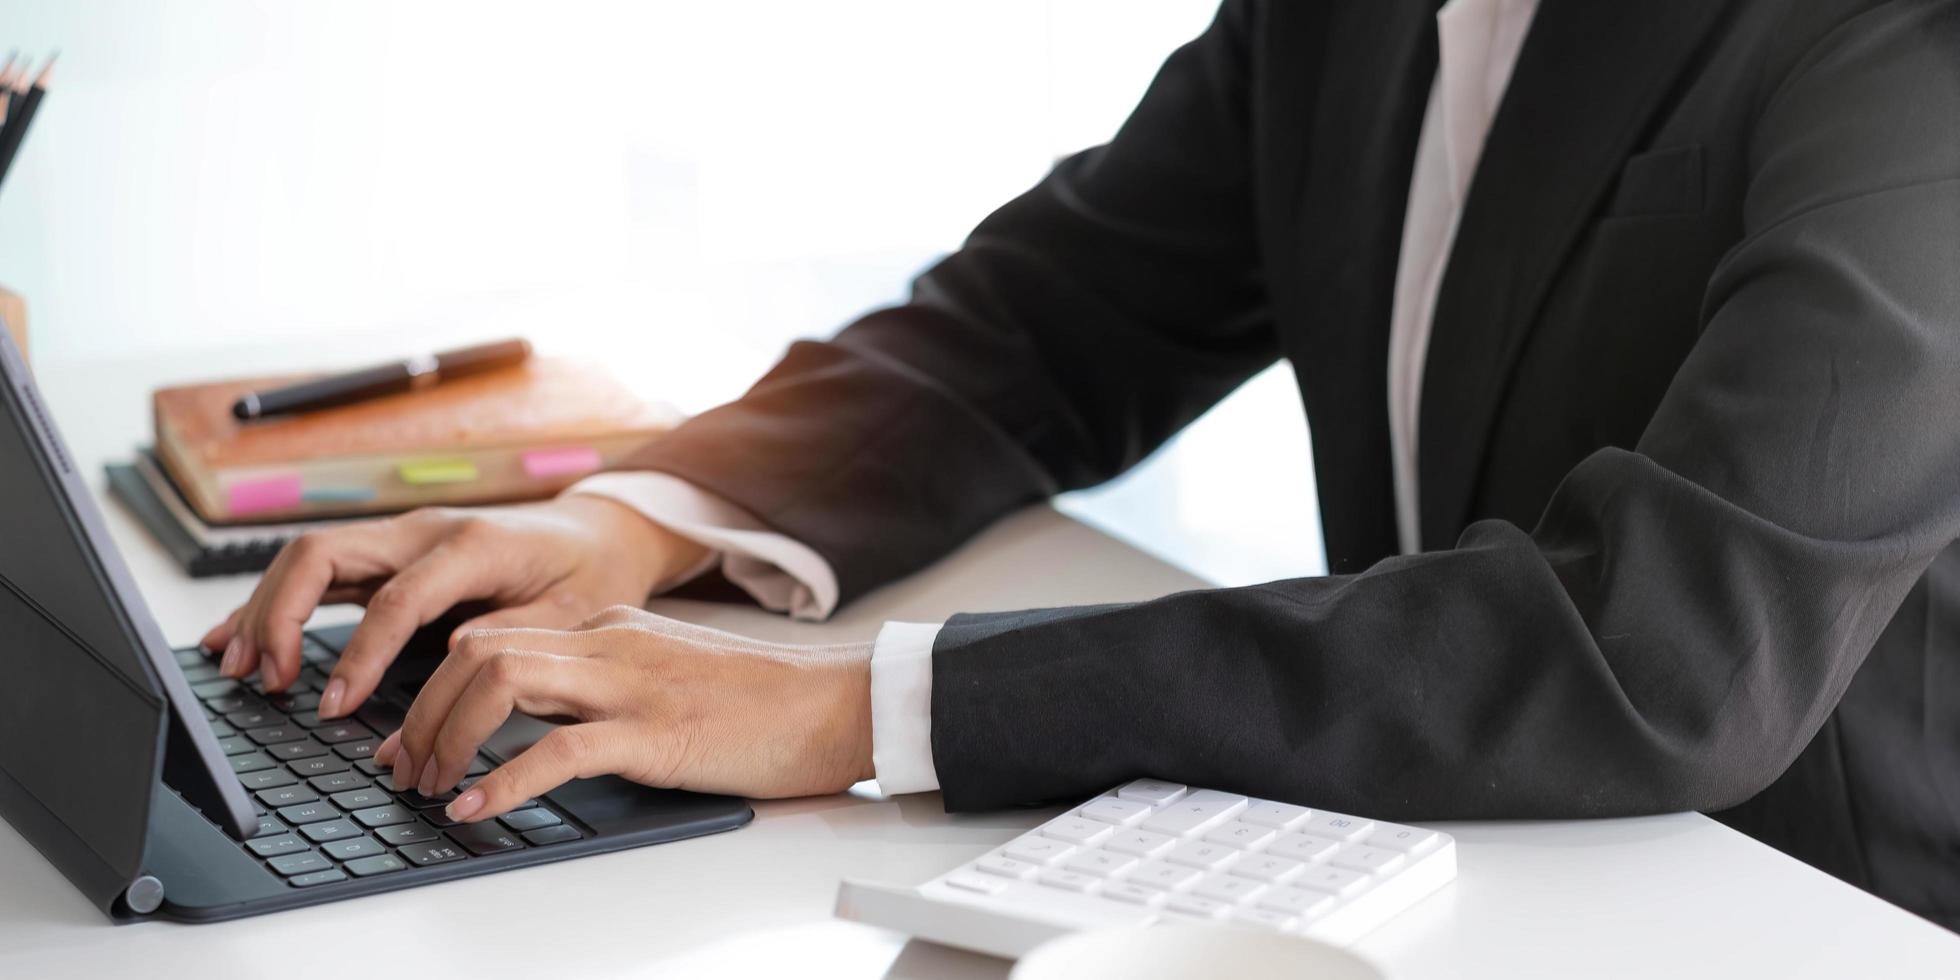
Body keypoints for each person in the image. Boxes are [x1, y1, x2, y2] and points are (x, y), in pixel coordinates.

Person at [206, 0, 1960, 926]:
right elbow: (1066, 312)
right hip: (1435, 865)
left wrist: (862, 711)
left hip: (1795, 911)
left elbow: (1665, 649)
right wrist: (646, 516)